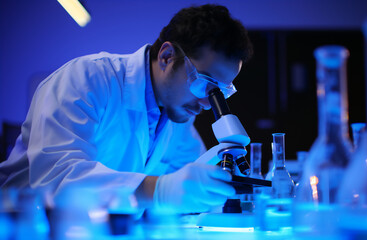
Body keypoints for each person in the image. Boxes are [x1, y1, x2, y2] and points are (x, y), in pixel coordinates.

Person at [0, 4, 253, 213]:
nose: (208, 104)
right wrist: (159, 190)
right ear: (167, 57)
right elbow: (56, 179)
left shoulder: (177, 113)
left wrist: (213, 188)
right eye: (205, 84)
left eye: (221, 92)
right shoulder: (86, 79)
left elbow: (189, 174)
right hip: (22, 224)